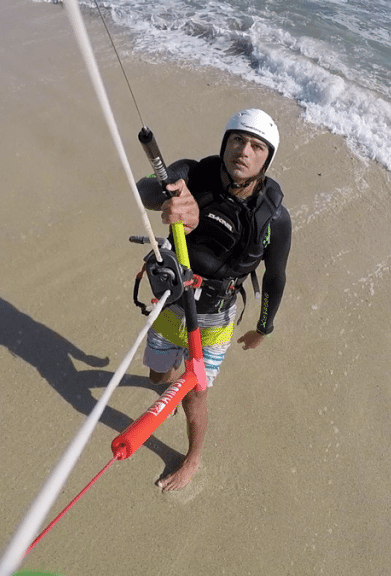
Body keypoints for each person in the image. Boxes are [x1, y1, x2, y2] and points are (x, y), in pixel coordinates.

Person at [137, 109, 293, 490]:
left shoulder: (274, 219)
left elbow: (275, 277)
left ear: (267, 159)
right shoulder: (193, 176)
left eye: (257, 146)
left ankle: (192, 458)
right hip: (170, 303)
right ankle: (169, 390)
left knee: (194, 397)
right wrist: (168, 197)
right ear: (225, 144)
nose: (244, 151)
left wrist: (263, 328)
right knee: (159, 377)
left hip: (213, 320)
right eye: (238, 140)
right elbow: (144, 187)